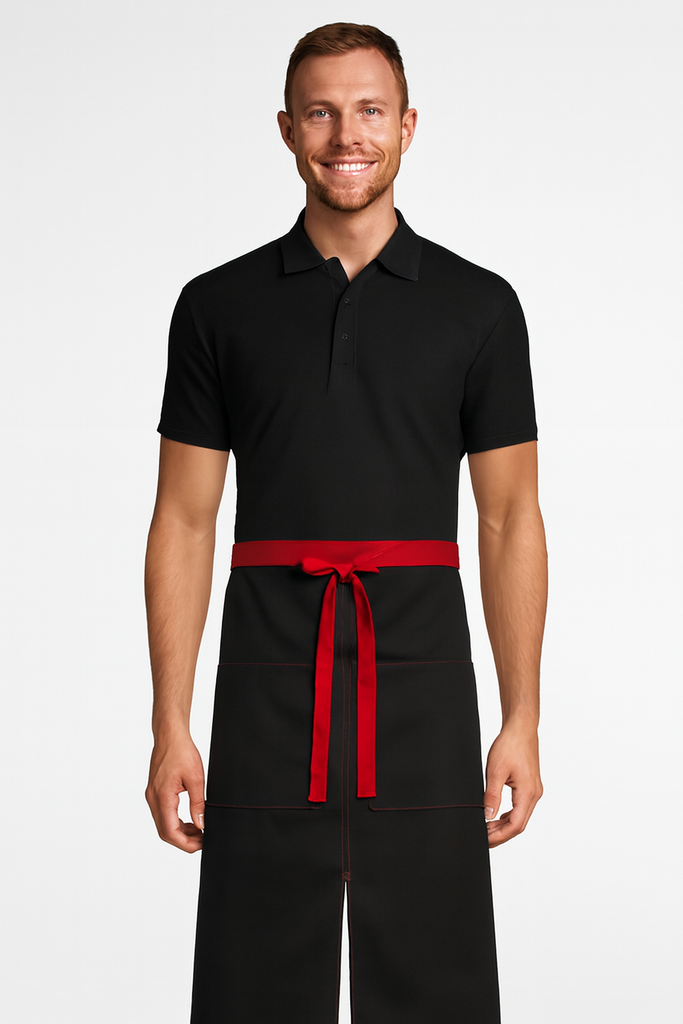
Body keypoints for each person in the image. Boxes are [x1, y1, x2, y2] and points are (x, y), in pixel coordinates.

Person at [145, 21, 547, 1024]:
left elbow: (507, 518)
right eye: (320, 113)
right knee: (252, 967)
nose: (345, 136)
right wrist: (169, 724)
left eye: (369, 110)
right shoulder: (216, 306)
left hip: (421, 670)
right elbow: (185, 520)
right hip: (266, 669)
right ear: (286, 129)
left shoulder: (480, 307)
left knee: (434, 963)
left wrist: (521, 718)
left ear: (407, 125)